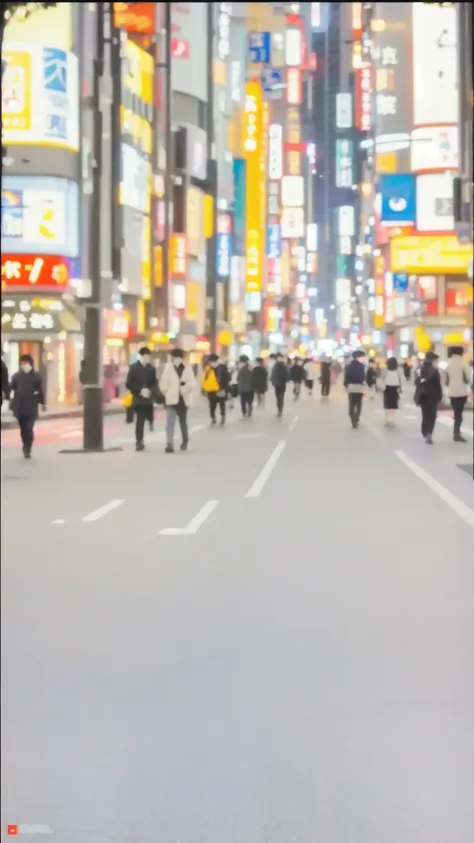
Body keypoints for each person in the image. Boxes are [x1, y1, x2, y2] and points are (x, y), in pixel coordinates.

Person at [9, 354, 45, 458]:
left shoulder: (37, 376)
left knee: (29, 427)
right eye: (22, 363)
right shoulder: (16, 376)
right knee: (23, 429)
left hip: (31, 406)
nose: (24, 365)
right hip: (20, 406)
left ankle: (28, 447)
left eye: (26, 363)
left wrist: (42, 403)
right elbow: (12, 387)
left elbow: (40, 391)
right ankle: (25, 443)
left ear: (30, 364)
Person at [159, 348, 195, 453]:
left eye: (177, 357)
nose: (175, 359)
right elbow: (163, 384)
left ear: (181, 358)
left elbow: (192, 383)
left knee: (183, 422)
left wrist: (184, 389)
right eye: (174, 357)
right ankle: (169, 443)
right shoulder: (168, 368)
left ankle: (185, 440)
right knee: (170, 422)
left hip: (183, 399)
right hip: (171, 399)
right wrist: (167, 393)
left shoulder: (187, 368)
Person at [125, 346, 158, 451]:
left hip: (148, 398)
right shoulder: (133, 368)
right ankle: (139, 441)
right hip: (138, 398)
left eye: (149, 357)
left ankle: (151, 421)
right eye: (145, 356)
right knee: (140, 420)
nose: (147, 359)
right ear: (141, 356)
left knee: (149, 413)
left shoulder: (152, 369)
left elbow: (154, 383)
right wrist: (139, 391)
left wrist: (150, 391)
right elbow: (128, 384)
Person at [414, 351, 442, 445]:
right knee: (432, 416)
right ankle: (428, 433)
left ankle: (425, 431)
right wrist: (440, 395)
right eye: (437, 361)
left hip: (423, 396)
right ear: (433, 361)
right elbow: (438, 385)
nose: (437, 362)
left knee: (425, 415)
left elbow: (416, 382)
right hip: (432, 396)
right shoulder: (434, 370)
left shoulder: (421, 369)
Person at [444, 345, 471, 443]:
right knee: (459, 413)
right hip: (461, 391)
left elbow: (445, 380)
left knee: (456, 412)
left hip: (451, 392)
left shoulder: (448, 363)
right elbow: (467, 378)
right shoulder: (463, 363)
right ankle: (457, 433)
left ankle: (456, 432)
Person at [201, 353, 229, 425]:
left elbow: (226, 379)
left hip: (220, 389)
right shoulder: (208, 369)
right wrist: (203, 388)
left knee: (222, 404)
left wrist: (225, 389)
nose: (210, 363)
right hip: (211, 391)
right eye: (210, 362)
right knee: (212, 405)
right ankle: (213, 418)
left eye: (211, 361)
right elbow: (205, 379)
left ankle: (223, 417)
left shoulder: (222, 368)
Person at [344, 350, 366, 429]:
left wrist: (346, 385)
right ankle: (356, 417)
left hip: (351, 387)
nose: (363, 358)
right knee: (359, 403)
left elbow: (346, 377)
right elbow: (363, 377)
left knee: (352, 404)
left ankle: (353, 420)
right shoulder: (362, 366)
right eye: (362, 356)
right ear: (358, 357)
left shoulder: (349, 366)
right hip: (359, 387)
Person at [382, 356, 402, 426]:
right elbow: (399, 380)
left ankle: (387, 420)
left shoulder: (385, 370)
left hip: (387, 389)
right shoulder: (398, 371)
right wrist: (400, 389)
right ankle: (392, 420)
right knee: (393, 406)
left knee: (387, 405)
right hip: (394, 389)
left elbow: (383, 379)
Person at [271, 352, 289, 418]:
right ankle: (279, 408)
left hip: (282, 384)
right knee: (278, 397)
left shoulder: (284, 366)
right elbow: (272, 375)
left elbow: (287, 374)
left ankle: (280, 410)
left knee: (281, 397)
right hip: (276, 384)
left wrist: (287, 380)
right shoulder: (275, 366)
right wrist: (272, 381)